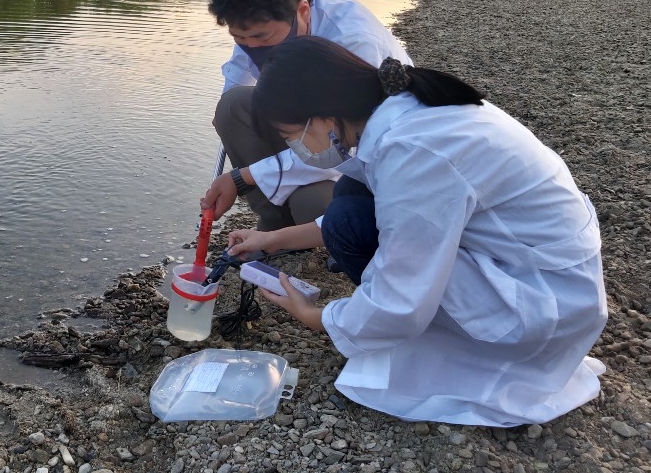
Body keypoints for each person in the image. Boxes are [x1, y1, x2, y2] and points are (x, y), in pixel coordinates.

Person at [226, 36, 608, 427]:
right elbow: (398, 218)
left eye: (291, 135)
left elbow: (401, 296)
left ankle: (440, 350)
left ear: (324, 117)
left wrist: (319, 317)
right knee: (352, 191)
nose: (295, 147)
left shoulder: (411, 150)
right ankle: (380, 324)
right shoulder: (406, 110)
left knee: (350, 215)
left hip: (542, 306)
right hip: (544, 270)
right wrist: (271, 240)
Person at [203, 0, 411, 233]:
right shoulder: (261, 20)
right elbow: (239, 75)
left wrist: (241, 178)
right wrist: (228, 128)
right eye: (240, 38)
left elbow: (343, 150)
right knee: (232, 107)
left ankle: (314, 234)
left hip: (360, 163)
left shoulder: (353, 43)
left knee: (313, 204)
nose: (252, 48)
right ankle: (272, 223)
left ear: (302, 12)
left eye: (261, 38)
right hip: (314, 135)